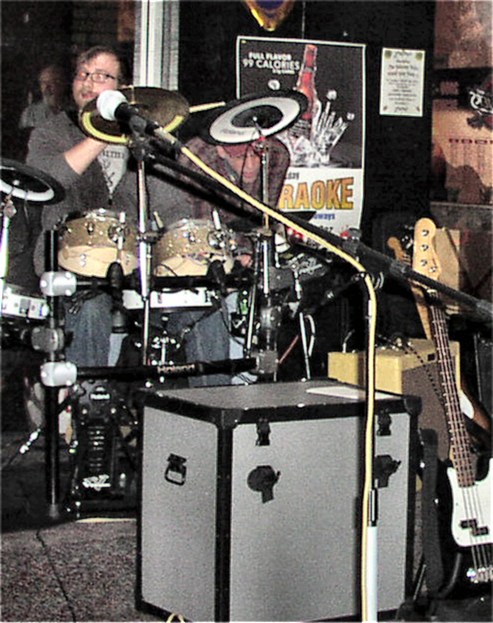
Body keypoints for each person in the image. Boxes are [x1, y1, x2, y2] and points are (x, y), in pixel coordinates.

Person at [26, 45, 185, 368]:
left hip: (135, 266)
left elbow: (173, 206)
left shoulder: (142, 141)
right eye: (82, 74)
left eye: (101, 76)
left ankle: (210, 397)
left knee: (203, 305)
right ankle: (85, 397)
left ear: (122, 88)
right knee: (91, 308)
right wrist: (101, 131)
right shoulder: (52, 132)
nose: (88, 82)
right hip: (72, 266)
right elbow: (47, 181)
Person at [164, 135, 291, 386]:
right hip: (196, 262)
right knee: (209, 309)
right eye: (241, 157)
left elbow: (264, 216)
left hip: (243, 252)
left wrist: (256, 254)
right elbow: (202, 233)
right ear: (221, 151)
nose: (251, 165)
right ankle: (217, 392)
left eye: (256, 155)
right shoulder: (197, 157)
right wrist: (232, 259)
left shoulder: (276, 155)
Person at [19, 64, 68, 131]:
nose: (46, 87)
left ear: (61, 84)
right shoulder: (30, 113)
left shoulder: (72, 110)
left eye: (51, 82)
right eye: (43, 83)